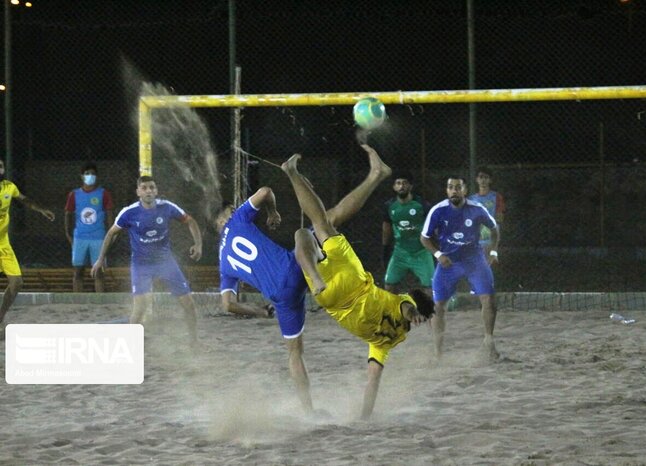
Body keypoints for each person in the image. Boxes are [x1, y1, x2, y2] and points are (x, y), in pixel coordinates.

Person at [280, 146, 435, 420]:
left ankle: (373, 174)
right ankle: (369, 174)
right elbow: (373, 380)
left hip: (353, 280)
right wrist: (365, 417)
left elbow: (407, 307)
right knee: (316, 226)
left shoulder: (402, 306)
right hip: (332, 300)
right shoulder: (386, 343)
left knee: (314, 227)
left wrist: (416, 313)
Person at [215, 190, 313, 413]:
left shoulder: (223, 264)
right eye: (231, 209)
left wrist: (261, 312)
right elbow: (266, 191)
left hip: (280, 298)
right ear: (222, 219)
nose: (235, 210)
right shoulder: (237, 218)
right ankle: (373, 177)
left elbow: (227, 304)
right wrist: (272, 212)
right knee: (327, 220)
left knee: (295, 353)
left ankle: (309, 411)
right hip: (293, 267)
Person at [91, 176, 202, 347]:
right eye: (144, 188)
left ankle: (194, 342)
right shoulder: (129, 212)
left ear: (156, 191)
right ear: (138, 192)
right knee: (140, 308)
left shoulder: (167, 207)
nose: (149, 190)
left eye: (152, 187)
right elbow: (111, 233)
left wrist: (198, 244)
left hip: (166, 262)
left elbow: (190, 221)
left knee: (189, 304)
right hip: (141, 265)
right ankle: (129, 345)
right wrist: (100, 259)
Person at [420, 176, 500, 361]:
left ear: (464, 190)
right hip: (448, 263)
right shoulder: (438, 211)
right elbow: (424, 238)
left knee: (488, 298)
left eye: (458, 187)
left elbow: (495, 229)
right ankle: (438, 352)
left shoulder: (477, 210)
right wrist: (439, 255)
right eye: (450, 187)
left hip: (474, 261)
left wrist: (494, 252)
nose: (454, 190)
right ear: (446, 191)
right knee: (438, 306)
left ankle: (489, 342)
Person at [0, 159, 56, 339]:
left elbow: (25, 200)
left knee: (17, 283)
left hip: (3, 244)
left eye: (0, 165)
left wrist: (41, 210)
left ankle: (0, 318)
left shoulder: (9, 187)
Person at [381, 172, 434, 299]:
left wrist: (434, 248)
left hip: (421, 252)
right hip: (400, 253)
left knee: (431, 288)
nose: (401, 186)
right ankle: (395, 311)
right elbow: (386, 229)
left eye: (405, 183)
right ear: (394, 187)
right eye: (398, 183)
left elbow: (432, 228)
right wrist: (385, 249)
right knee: (389, 286)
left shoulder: (422, 205)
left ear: (410, 186)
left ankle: (430, 312)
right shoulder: (389, 206)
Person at [64, 162, 114, 292]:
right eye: (87, 174)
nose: (90, 176)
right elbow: (68, 214)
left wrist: (111, 233)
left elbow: (109, 214)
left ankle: (100, 301)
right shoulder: (74, 194)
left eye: (92, 173)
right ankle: (77, 301)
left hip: (98, 237)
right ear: (82, 176)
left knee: (98, 272)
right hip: (80, 237)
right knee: (78, 271)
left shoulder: (103, 193)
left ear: (97, 176)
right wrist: (68, 234)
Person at [467, 167, 505, 260]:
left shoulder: (496, 197)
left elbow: (499, 218)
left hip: (491, 239)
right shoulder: (472, 199)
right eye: (481, 177)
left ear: (490, 180)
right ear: (477, 179)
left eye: (486, 177)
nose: (483, 180)